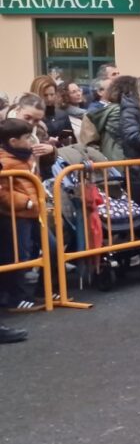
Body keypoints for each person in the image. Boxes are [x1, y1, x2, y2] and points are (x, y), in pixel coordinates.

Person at [0, 119, 44, 314]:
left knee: (47, 248)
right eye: (27, 137)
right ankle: (16, 298)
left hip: (34, 212)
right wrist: (24, 202)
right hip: (16, 214)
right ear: (13, 141)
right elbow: (3, 191)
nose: (31, 140)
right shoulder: (4, 160)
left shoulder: (27, 156)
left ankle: (41, 290)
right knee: (19, 256)